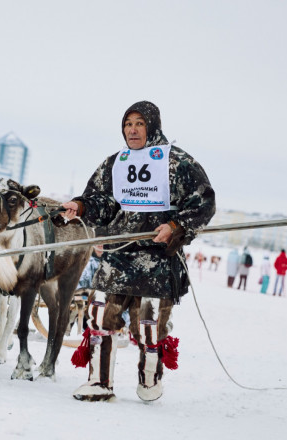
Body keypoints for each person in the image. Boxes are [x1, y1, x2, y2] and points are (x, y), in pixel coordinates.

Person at [60, 101, 216, 402]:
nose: (132, 129)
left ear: (153, 126)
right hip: (119, 251)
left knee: (148, 324)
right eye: (128, 123)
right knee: (98, 313)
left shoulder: (177, 162)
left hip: (157, 258)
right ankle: (98, 382)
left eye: (139, 123)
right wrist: (80, 206)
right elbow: (102, 201)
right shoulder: (115, 162)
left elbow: (203, 202)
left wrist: (176, 224)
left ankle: (149, 379)